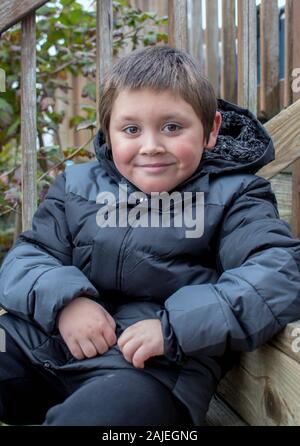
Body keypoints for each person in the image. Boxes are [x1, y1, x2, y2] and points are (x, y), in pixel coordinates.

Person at [0, 45, 300, 427]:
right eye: (131, 129)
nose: (151, 145)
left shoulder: (235, 196)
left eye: (172, 127)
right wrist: (65, 301)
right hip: (50, 344)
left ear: (211, 130)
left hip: (150, 370)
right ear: (108, 133)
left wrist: (174, 329)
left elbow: (278, 270)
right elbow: (29, 255)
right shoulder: (77, 186)